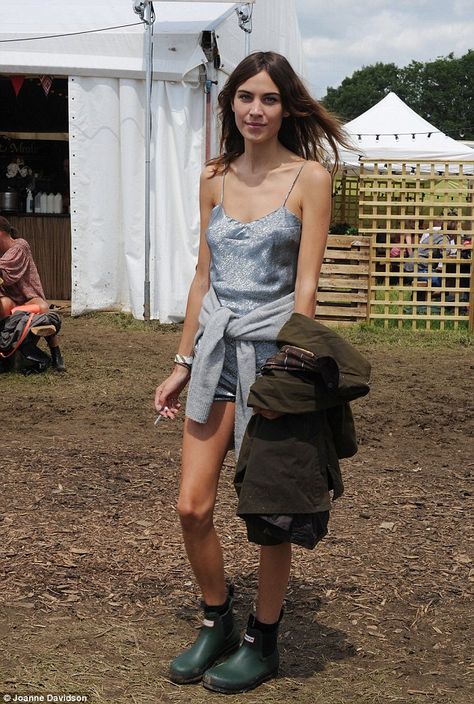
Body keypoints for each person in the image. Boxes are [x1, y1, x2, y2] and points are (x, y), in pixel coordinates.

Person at [154, 51, 349, 693]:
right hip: (214, 353)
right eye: (245, 98)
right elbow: (203, 276)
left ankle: (262, 641)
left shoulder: (309, 179)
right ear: (230, 104)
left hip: (273, 359)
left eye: (268, 99)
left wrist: (289, 376)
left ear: (286, 107)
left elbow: (306, 288)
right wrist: (182, 361)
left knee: (269, 513)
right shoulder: (214, 175)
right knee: (191, 506)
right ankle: (217, 615)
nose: (255, 110)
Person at [0, 215, 65, 371]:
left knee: (42, 307)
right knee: (3, 304)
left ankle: (56, 353)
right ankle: (7, 350)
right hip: (11, 303)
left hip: (28, 301)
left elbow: (8, 273)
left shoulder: (20, 246)